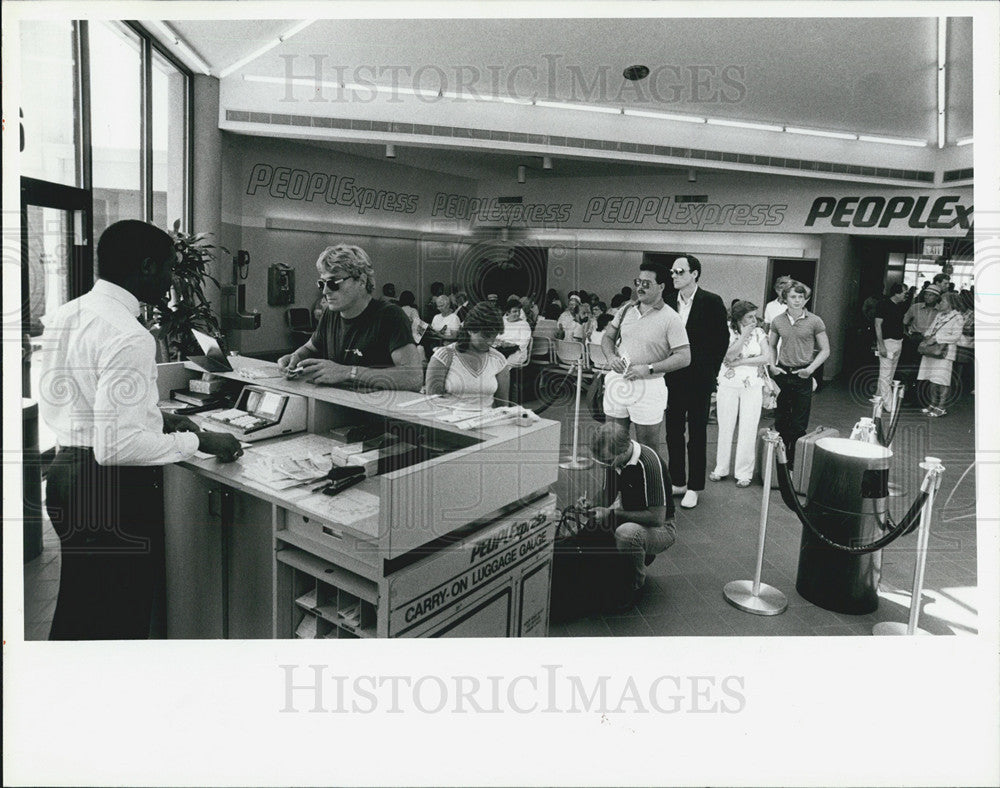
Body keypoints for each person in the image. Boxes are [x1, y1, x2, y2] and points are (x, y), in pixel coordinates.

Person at [38, 220, 243, 640]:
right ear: (148, 267)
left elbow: (83, 398)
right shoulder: (128, 334)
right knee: (119, 620)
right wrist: (201, 440)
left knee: (79, 610)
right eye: (169, 269)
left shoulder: (69, 313)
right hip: (111, 493)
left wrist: (159, 418)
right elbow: (118, 446)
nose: (171, 281)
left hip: (66, 477)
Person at [277, 245, 423, 391]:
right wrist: (295, 357)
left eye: (334, 283)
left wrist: (348, 372)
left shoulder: (390, 316)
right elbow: (311, 347)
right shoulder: (330, 313)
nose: (326, 291)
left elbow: (413, 378)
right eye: (322, 283)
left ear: (361, 281)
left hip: (373, 408)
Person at [601, 260, 691, 455]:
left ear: (661, 287)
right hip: (619, 380)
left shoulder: (671, 318)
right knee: (613, 441)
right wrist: (610, 357)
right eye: (638, 282)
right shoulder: (626, 310)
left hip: (649, 386)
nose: (640, 288)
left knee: (647, 448)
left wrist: (648, 368)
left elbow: (684, 357)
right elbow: (608, 336)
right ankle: (613, 485)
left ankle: (646, 485)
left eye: (646, 284)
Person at [586, 422, 677, 609]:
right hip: (634, 517)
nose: (605, 464)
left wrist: (611, 512)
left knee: (627, 534)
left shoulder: (649, 464)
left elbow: (657, 518)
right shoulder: (617, 459)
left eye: (607, 460)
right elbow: (607, 494)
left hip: (662, 528)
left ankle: (634, 586)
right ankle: (630, 559)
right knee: (596, 525)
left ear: (622, 451)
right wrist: (591, 505)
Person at [663, 254, 729, 509]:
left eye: (680, 271)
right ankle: (677, 480)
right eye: (672, 272)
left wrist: (710, 373)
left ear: (694, 274)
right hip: (672, 377)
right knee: (673, 432)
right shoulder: (667, 302)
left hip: (700, 378)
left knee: (698, 434)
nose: (675, 276)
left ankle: (694, 486)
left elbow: (720, 341)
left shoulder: (711, 301)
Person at [767, 281, 830, 468]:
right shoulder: (778, 320)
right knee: (781, 420)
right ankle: (780, 460)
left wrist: (810, 370)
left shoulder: (815, 321)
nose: (797, 300)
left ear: (806, 299)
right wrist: (772, 365)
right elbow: (771, 345)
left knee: (799, 423)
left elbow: (825, 350)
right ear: (785, 299)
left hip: (803, 374)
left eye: (801, 297)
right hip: (783, 374)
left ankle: (794, 462)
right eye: (793, 297)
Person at [710, 301, 771, 488]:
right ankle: (721, 468)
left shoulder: (760, 333)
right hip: (728, 384)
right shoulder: (725, 330)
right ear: (739, 317)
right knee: (725, 426)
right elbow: (728, 356)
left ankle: (744, 473)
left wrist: (741, 361)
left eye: (755, 316)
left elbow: (766, 357)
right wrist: (744, 335)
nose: (754, 320)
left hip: (752, 385)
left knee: (749, 428)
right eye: (750, 316)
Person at [425, 302, 510, 409]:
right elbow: (432, 402)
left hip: (486, 422)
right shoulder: (444, 357)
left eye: (493, 337)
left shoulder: (499, 360)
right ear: (470, 329)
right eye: (485, 336)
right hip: (447, 422)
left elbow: (502, 407)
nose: (490, 342)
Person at [916, 291, 965, 417]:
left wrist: (937, 338)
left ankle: (941, 407)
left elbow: (956, 336)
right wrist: (926, 336)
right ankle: (932, 404)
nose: (940, 303)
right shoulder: (939, 315)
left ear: (950, 303)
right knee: (932, 379)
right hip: (932, 351)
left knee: (942, 380)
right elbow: (931, 329)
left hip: (944, 353)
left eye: (942, 301)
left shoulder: (957, 317)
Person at [900, 282, 943, 406]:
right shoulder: (915, 307)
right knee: (911, 370)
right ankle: (909, 397)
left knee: (926, 370)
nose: (927, 297)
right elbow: (904, 321)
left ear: (936, 298)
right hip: (915, 339)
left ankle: (923, 399)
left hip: (930, 342)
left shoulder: (940, 311)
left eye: (931, 295)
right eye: (926, 295)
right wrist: (907, 334)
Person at [873, 282, 908, 411]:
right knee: (885, 375)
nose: (906, 295)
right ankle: (889, 405)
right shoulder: (883, 305)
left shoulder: (899, 306)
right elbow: (878, 325)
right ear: (897, 293)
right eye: (904, 292)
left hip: (898, 342)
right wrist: (881, 345)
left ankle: (878, 397)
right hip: (887, 342)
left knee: (889, 374)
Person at [497, 296, 532, 366]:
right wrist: (500, 343)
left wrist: (511, 344)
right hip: (501, 349)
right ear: (508, 312)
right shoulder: (502, 322)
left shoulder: (524, 324)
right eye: (514, 311)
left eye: (519, 311)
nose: (518, 314)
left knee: (503, 364)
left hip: (517, 352)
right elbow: (496, 336)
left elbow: (524, 341)